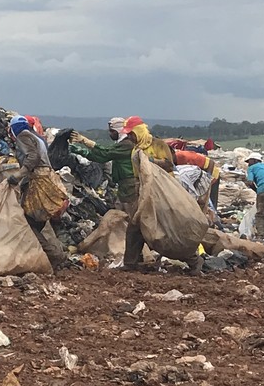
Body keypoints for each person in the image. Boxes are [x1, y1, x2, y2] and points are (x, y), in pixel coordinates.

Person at [118, 116, 201, 274]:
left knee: (168, 232)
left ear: (139, 131)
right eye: (127, 134)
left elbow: (169, 165)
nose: (129, 137)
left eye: (131, 133)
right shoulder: (136, 149)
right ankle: (130, 263)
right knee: (135, 227)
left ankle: (194, 260)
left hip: (162, 193)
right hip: (144, 192)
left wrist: (149, 161)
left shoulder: (158, 145)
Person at [9, 115, 66, 268]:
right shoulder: (37, 136)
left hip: (37, 180)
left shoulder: (23, 136)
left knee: (28, 221)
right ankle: (39, 255)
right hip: (47, 178)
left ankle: (54, 255)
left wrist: (18, 176)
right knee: (37, 219)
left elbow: (32, 157)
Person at [70, 118, 136, 210]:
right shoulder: (122, 144)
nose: (110, 134)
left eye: (112, 131)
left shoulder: (126, 145)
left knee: (129, 209)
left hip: (130, 183)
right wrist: (82, 151)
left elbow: (106, 154)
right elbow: (101, 158)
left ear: (119, 131)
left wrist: (85, 142)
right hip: (124, 183)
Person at [246, 152, 264, 239]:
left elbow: (250, 182)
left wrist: (256, 190)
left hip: (262, 190)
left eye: (249, 161)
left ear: (254, 160)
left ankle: (261, 235)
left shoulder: (251, 168)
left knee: (260, 214)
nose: (248, 164)